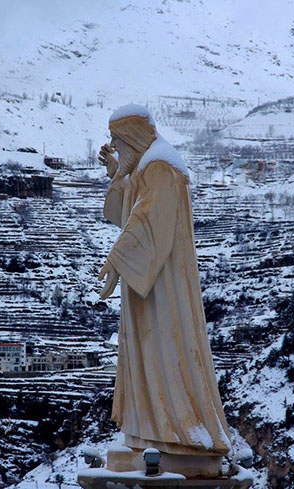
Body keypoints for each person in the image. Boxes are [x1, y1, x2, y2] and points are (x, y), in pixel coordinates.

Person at [96, 104, 231, 457]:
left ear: (133, 138)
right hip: (149, 283)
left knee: (163, 346)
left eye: (117, 140)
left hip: (162, 287)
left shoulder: (161, 167)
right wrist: (118, 175)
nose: (114, 146)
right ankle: (150, 430)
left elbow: (147, 219)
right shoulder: (148, 166)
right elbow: (133, 206)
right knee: (148, 347)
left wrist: (117, 259)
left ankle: (176, 429)